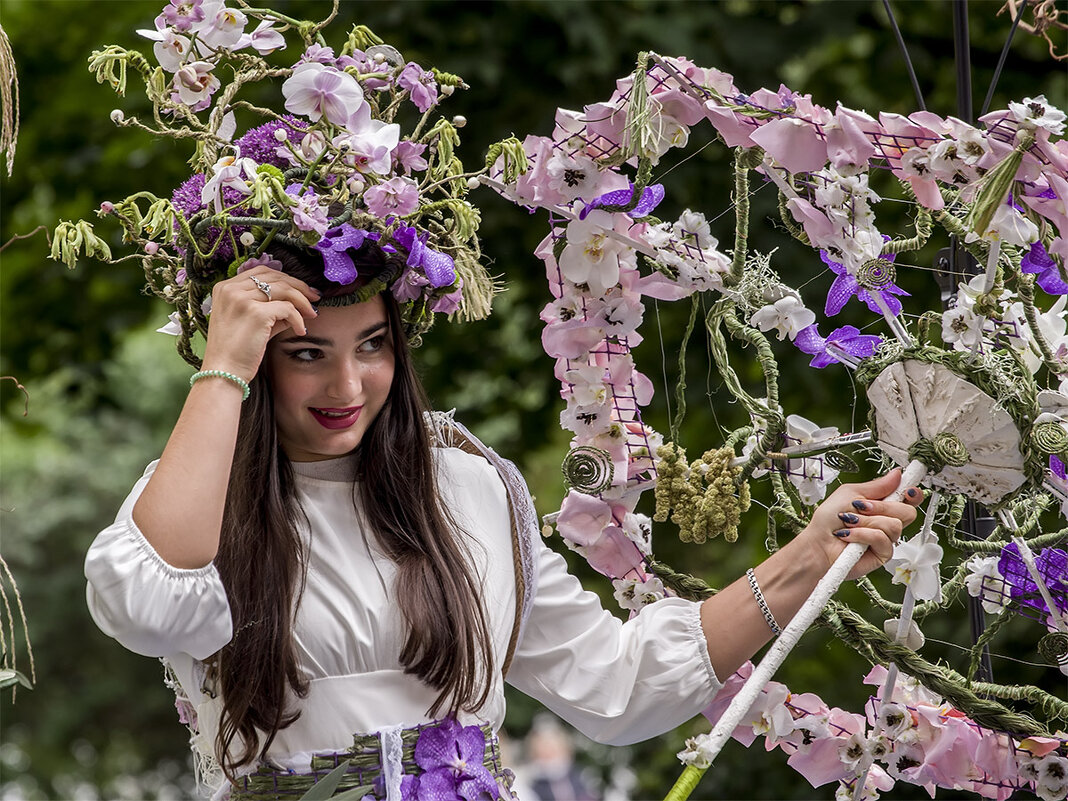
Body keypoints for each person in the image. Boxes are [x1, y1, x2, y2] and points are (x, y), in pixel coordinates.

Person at [78, 6, 922, 799]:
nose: (346, 387)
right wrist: (222, 363)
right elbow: (146, 601)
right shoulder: (198, 495)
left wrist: (812, 553)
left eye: (372, 347)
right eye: (304, 355)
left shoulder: (468, 488)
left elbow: (619, 684)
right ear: (257, 363)